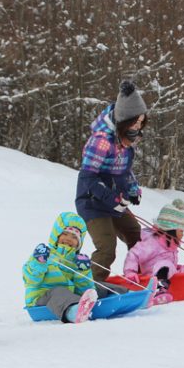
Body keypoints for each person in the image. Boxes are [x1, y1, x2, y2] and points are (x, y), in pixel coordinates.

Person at [76, 80, 147, 282]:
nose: (139, 126)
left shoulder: (127, 137)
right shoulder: (101, 141)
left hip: (114, 202)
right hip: (92, 203)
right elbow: (87, 177)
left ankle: (141, 277)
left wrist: (132, 190)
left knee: (135, 234)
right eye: (136, 121)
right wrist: (112, 199)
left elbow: (123, 171)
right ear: (124, 119)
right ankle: (90, 287)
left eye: (142, 122)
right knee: (107, 247)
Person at [23, 212, 125, 324]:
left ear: (79, 243)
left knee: (97, 286)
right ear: (56, 235)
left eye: (74, 237)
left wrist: (83, 271)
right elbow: (31, 280)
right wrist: (39, 262)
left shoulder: (75, 261)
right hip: (41, 300)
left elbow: (84, 290)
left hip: (68, 297)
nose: (68, 239)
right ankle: (74, 312)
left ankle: (129, 296)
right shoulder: (44, 256)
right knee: (58, 291)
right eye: (65, 234)